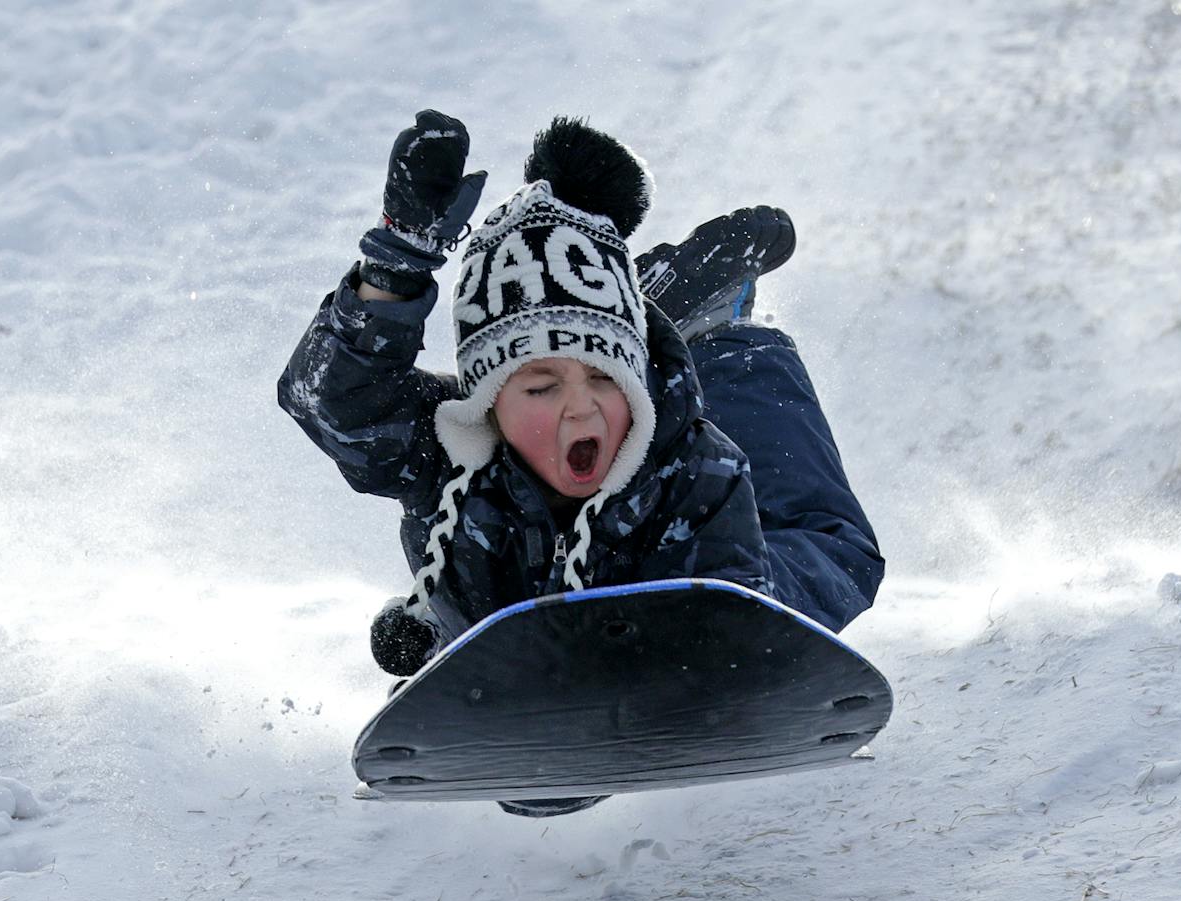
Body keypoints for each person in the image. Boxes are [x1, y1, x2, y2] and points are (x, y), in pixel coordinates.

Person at [279, 111, 883, 817]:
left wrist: (734, 660)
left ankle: (710, 322)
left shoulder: (696, 470)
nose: (579, 411)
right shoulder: (447, 453)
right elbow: (332, 403)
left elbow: (722, 658)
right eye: (539, 389)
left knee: (831, 545)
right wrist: (395, 263)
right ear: (489, 405)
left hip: (686, 548)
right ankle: (645, 303)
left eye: (603, 383)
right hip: (509, 592)